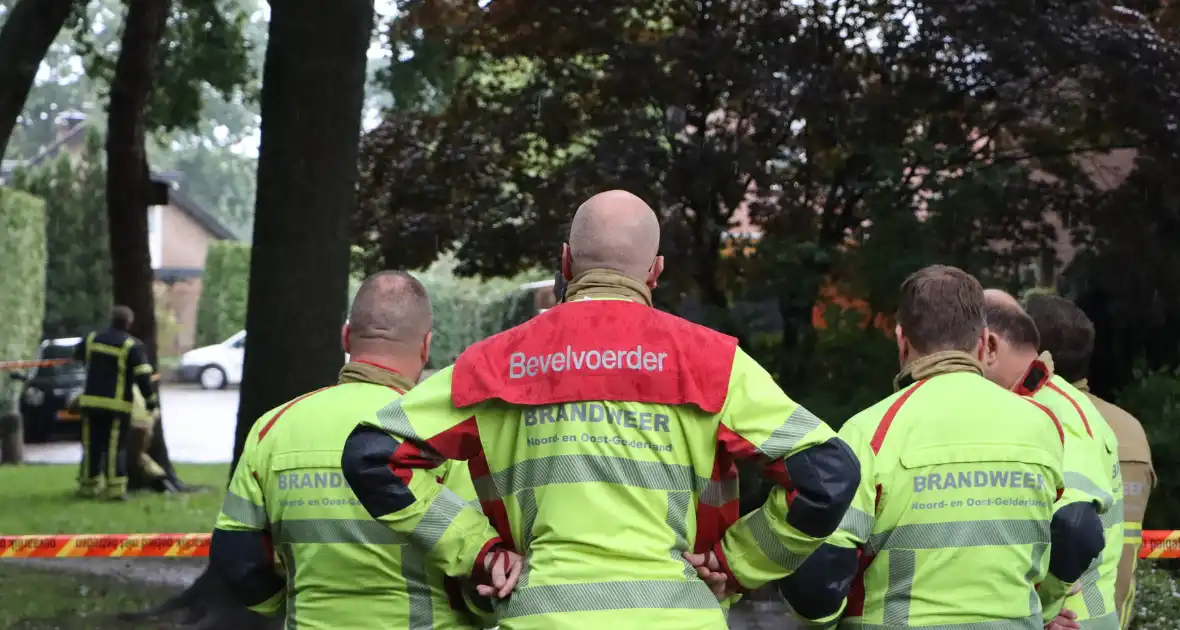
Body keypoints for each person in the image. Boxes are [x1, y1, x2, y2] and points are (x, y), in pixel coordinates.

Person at [341, 190, 860, 630]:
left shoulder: (496, 361)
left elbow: (374, 455)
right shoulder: (715, 363)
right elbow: (827, 475)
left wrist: (480, 551)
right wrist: (736, 563)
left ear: (566, 262)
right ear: (655, 271)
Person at [777, 265, 1104, 628]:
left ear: (902, 341)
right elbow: (1078, 530)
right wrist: (1043, 610)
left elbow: (819, 574)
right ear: (984, 343)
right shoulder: (1043, 426)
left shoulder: (870, 430)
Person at [210, 272, 501, 629]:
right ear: (426, 346)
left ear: (347, 336)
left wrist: (282, 603)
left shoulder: (272, 428)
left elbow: (237, 556)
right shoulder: (441, 436)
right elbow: (484, 571)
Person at [982, 290, 1119, 628]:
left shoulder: (1056, 411)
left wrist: (1039, 610)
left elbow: (1074, 526)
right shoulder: (1034, 404)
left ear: (989, 345)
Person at [1026, 294, 1145, 630]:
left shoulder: (1050, 416)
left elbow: (1074, 528)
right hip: (1105, 614)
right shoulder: (1125, 427)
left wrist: (1041, 610)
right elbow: (1123, 559)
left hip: (1066, 618)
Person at [73, 305, 159, 500]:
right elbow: (143, 377)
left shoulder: (92, 338)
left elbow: (77, 355)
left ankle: (88, 486)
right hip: (116, 406)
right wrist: (151, 401)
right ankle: (114, 489)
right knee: (114, 448)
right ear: (128, 323)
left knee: (91, 445)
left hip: (91, 404)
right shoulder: (132, 346)